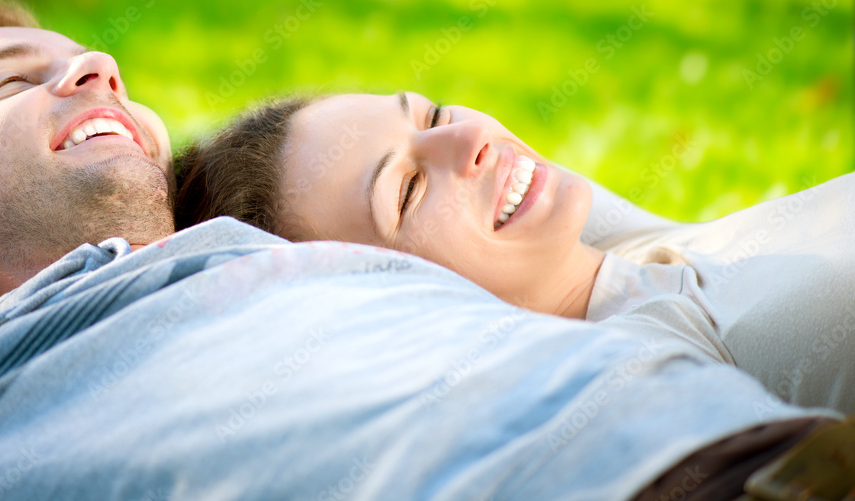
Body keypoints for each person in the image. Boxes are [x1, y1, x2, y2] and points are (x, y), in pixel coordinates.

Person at [0, 0, 854, 501]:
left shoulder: (260, 248)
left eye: (91, 63)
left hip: (739, 455)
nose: (97, 68)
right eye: (9, 83)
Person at [175, 91, 855, 414]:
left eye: (434, 113)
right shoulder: (660, 372)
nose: (467, 142)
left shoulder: (612, 248)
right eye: (408, 189)